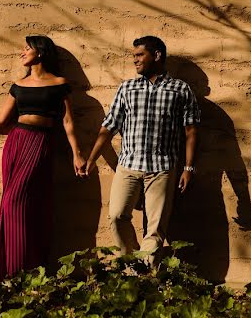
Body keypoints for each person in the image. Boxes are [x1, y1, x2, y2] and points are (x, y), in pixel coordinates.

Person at [0, 35, 86, 289]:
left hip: (40, 144)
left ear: (41, 53)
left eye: (27, 48)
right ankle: (10, 271)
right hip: (16, 143)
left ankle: (22, 270)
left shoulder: (59, 84)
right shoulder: (18, 84)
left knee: (21, 204)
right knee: (11, 204)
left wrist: (77, 154)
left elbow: (68, 122)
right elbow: (1, 120)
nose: (22, 52)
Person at [84, 36, 199, 259]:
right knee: (117, 216)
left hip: (162, 168)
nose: (135, 61)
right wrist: (91, 159)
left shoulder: (180, 90)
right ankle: (131, 261)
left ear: (156, 55)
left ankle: (144, 276)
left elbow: (191, 132)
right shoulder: (127, 88)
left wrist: (188, 168)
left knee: (155, 230)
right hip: (128, 166)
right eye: (134, 56)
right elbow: (109, 127)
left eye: (139, 55)